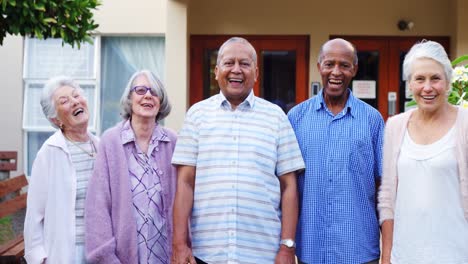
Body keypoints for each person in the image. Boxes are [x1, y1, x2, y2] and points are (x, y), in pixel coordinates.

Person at [171, 37, 305, 264]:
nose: (236, 70)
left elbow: (289, 186)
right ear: (216, 71)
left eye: (244, 63)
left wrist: (287, 246)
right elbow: (185, 183)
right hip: (207, 254)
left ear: (256, 72)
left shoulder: (276, 117)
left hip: (263, 254)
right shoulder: (197, 115)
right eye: (228, 63)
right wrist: (179, 244)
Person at [288, 38, 385, 264]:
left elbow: (384, 188)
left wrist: (388, 247)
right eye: (329, 64)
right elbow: (287, 185)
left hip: (359, 250)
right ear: (319, 66)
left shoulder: (372, 120)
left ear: (355, 69)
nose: (336, 72)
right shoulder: (296, 118)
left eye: (344, 65)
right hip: (311, 249)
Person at [378, 41, 468, 264]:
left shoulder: (465, 124)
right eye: (420, 79)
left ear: (448, 82)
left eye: (435, 78)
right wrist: (387, 255)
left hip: (456, 254)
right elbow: (387, 196)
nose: (427, 87)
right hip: (405, 255)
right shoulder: (395, 126)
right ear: (409, 84)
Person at [85, 70, 177, 264]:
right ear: (129, 98)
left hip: (166, 256)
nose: (148, 96)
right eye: (140, 90)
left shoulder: (172, 141)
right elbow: (98, 206)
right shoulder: (111, 141)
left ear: (161, 101)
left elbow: (184, 201)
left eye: (154, 92)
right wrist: (105, 257)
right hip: (122, 257)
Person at [24, 76, 99, 264]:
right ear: (55, 119)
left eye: (76, 95)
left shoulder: (102, 146)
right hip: (66, 252)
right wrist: (38, 257)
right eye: (64, 101)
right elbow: (34, 215)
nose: (75, 102)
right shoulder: (49, 153)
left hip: (100, 247)